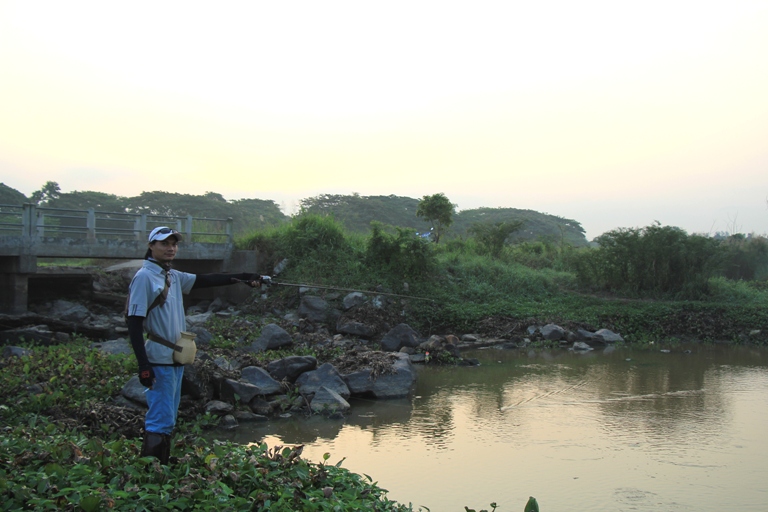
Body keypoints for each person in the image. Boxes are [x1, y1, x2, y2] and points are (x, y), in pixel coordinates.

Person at [126, 226, 266, 464]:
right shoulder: (144, 277)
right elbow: (133, 321)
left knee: (168, 416)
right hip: (159, 359)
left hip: (176, 357)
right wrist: (143, 365)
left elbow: (205, 279)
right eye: (164, 244)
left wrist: (245, 276)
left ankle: (162, 464)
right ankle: (150, 471)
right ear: (151, 246)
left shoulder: (171, 275)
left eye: (174, 244)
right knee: (159, 416)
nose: (171, 248)